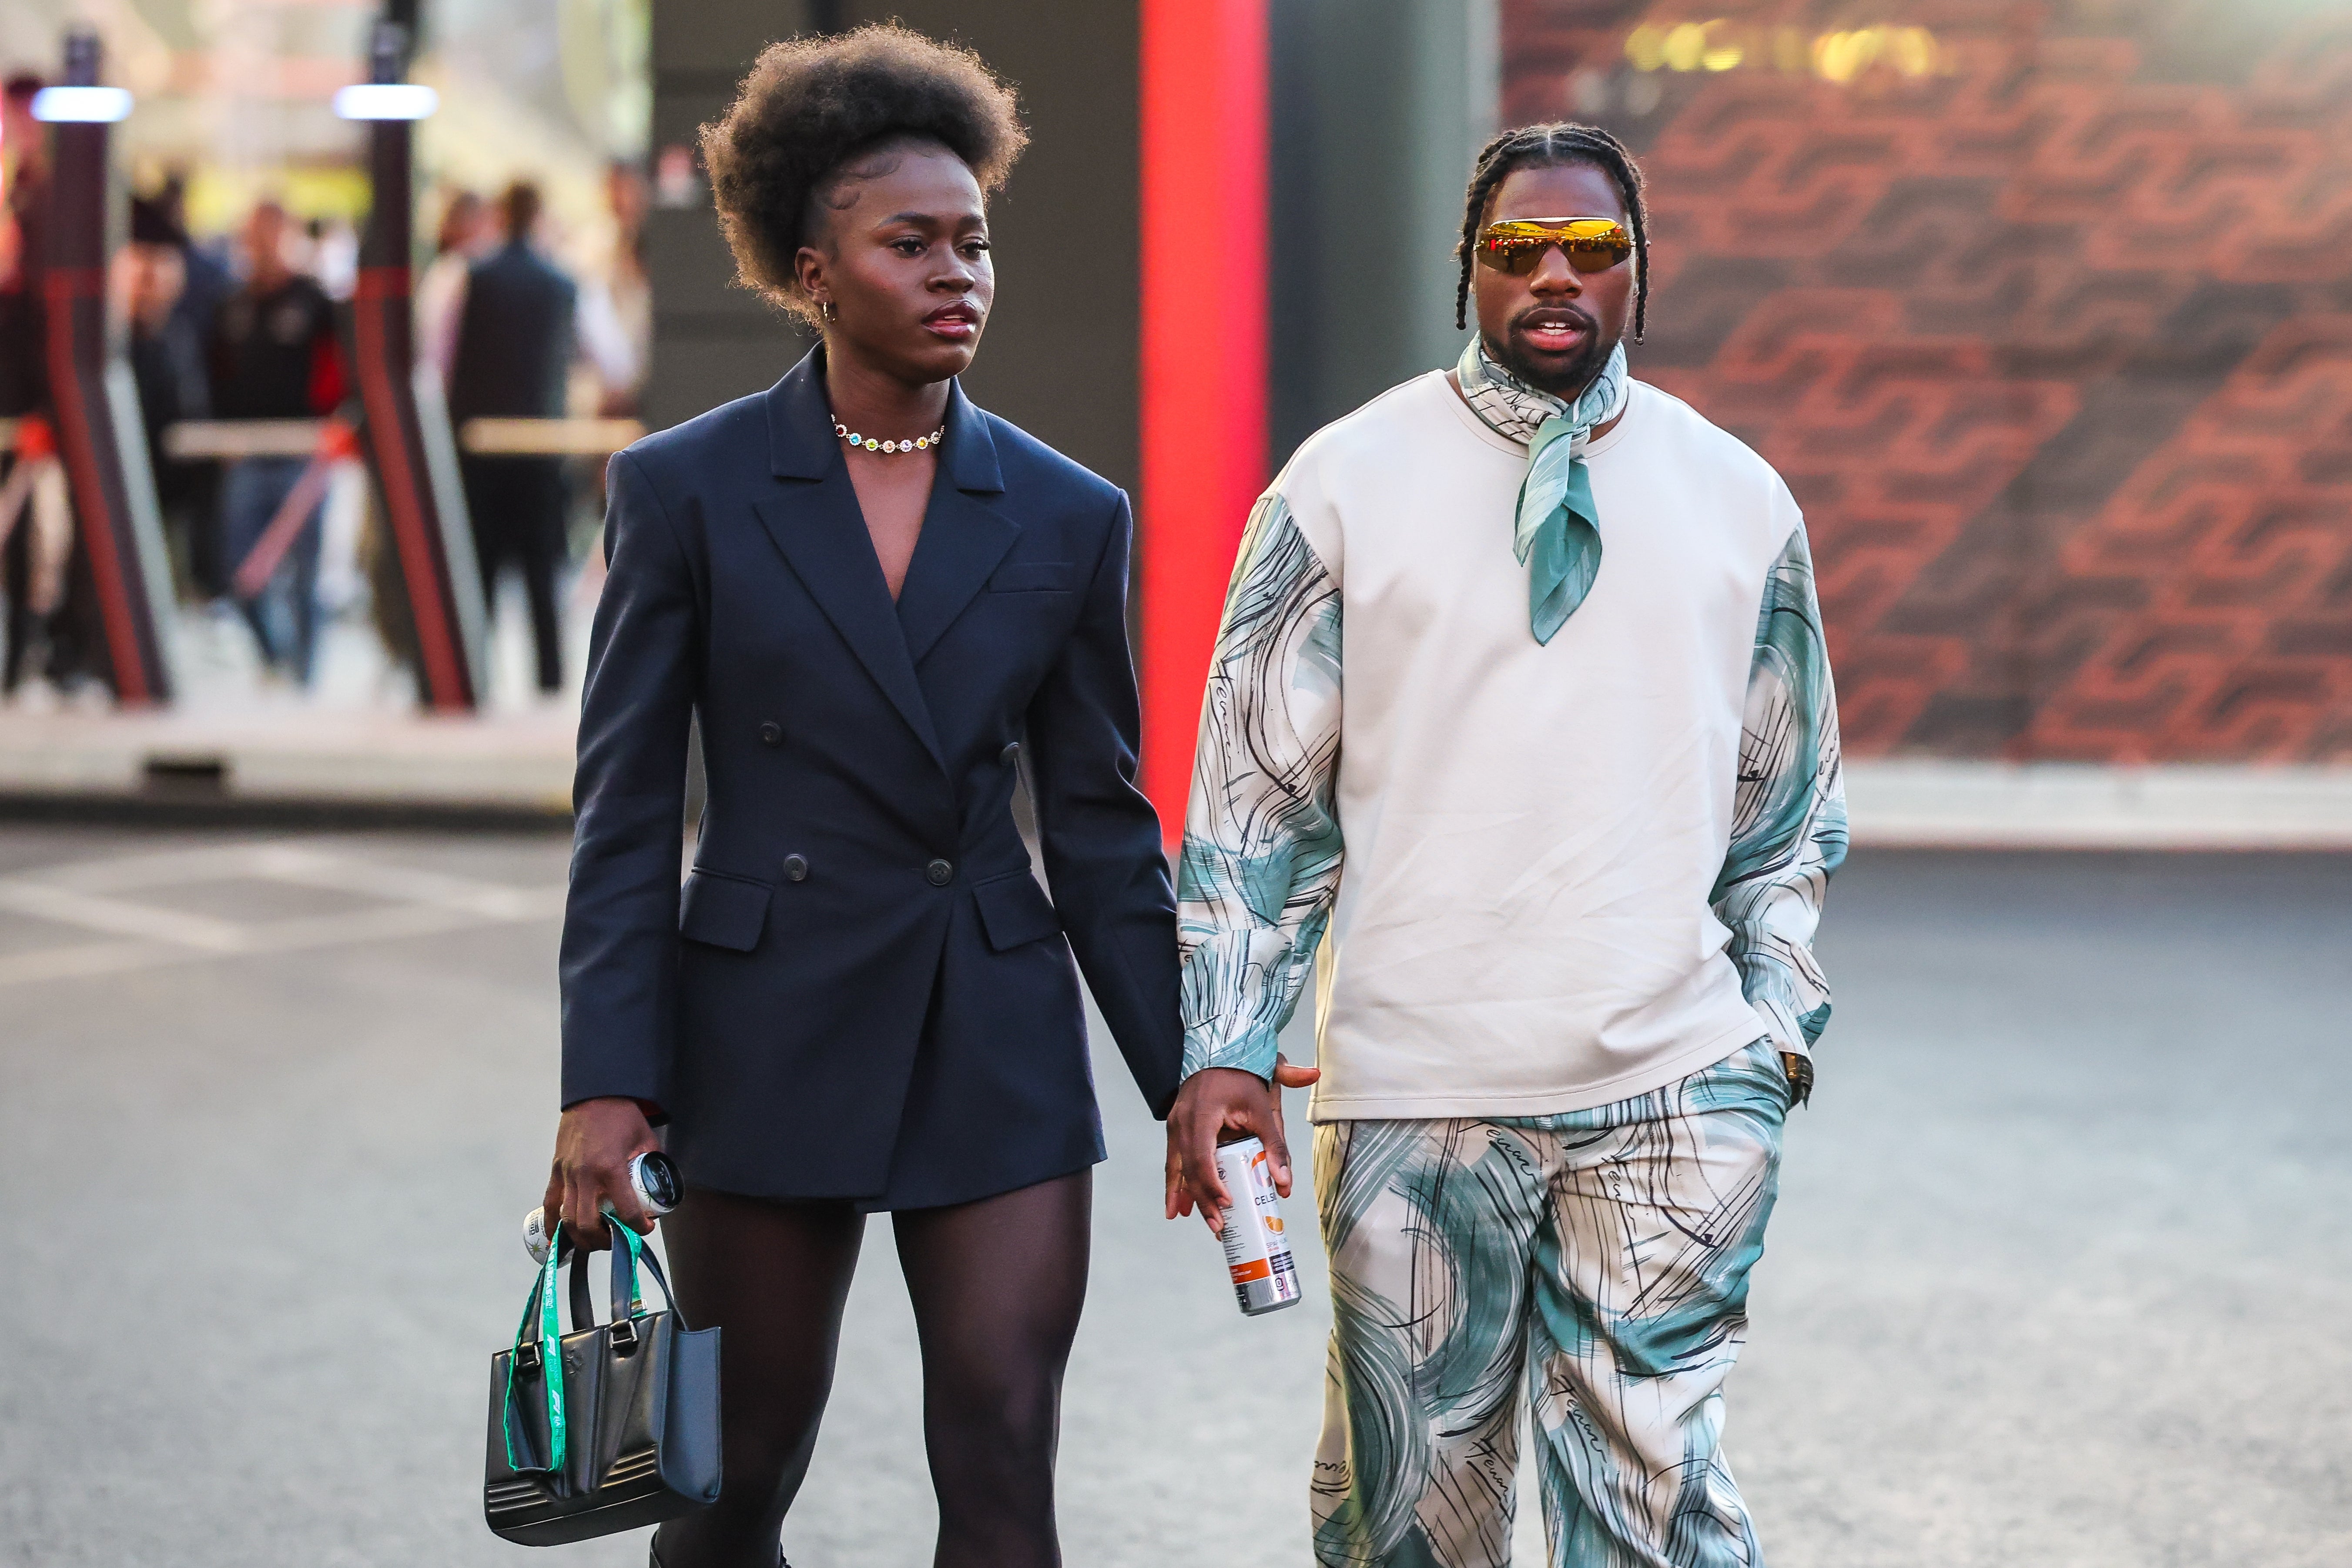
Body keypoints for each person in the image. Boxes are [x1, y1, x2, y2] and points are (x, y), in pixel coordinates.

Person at [543, 26, 1189, 1568]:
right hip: (766, 1026)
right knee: (729, 1477)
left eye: (972, 241)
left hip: (994, 1021)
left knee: (1002, 1446)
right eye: (911, 243)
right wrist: (604, 1081)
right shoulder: (686, 489)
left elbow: (1101, 826)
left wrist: (1192, 1073)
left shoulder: (1062, 511)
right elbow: (626, 812)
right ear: (810, 266)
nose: (957, 271)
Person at [1168, 122, 1848, 1568]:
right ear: (1465, 270)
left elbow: (1782, 812)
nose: (1554, 275)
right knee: (1411, 1526)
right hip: (1416, 1095)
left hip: (1670, 1092)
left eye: (1593, 250)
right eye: (1515, 248)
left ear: (1639, 275)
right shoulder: (1336, 485)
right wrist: (1228, 1045)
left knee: (1660, 1522)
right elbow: (1253, 799)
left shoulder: (1740, 501)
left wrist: (1768, 1039)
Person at [207, 199, 344, 686]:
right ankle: (276, 654)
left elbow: (339, 374)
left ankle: (305, 677)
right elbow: (217, 377)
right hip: (246, 454)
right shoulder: (232, 305)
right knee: (239, 569)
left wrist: (333, 428)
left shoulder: (315, 302)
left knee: (305, 577)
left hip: (303, 455)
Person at [446, 180, 576, 695]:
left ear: (500, 215)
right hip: (543, 451)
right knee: (543, 575)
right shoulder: (565, 284)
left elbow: (437, 360)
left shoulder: (468, 278)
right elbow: (610, 359)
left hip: (476, 450)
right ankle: (549, 686)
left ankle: (474, 684)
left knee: (479, 572)